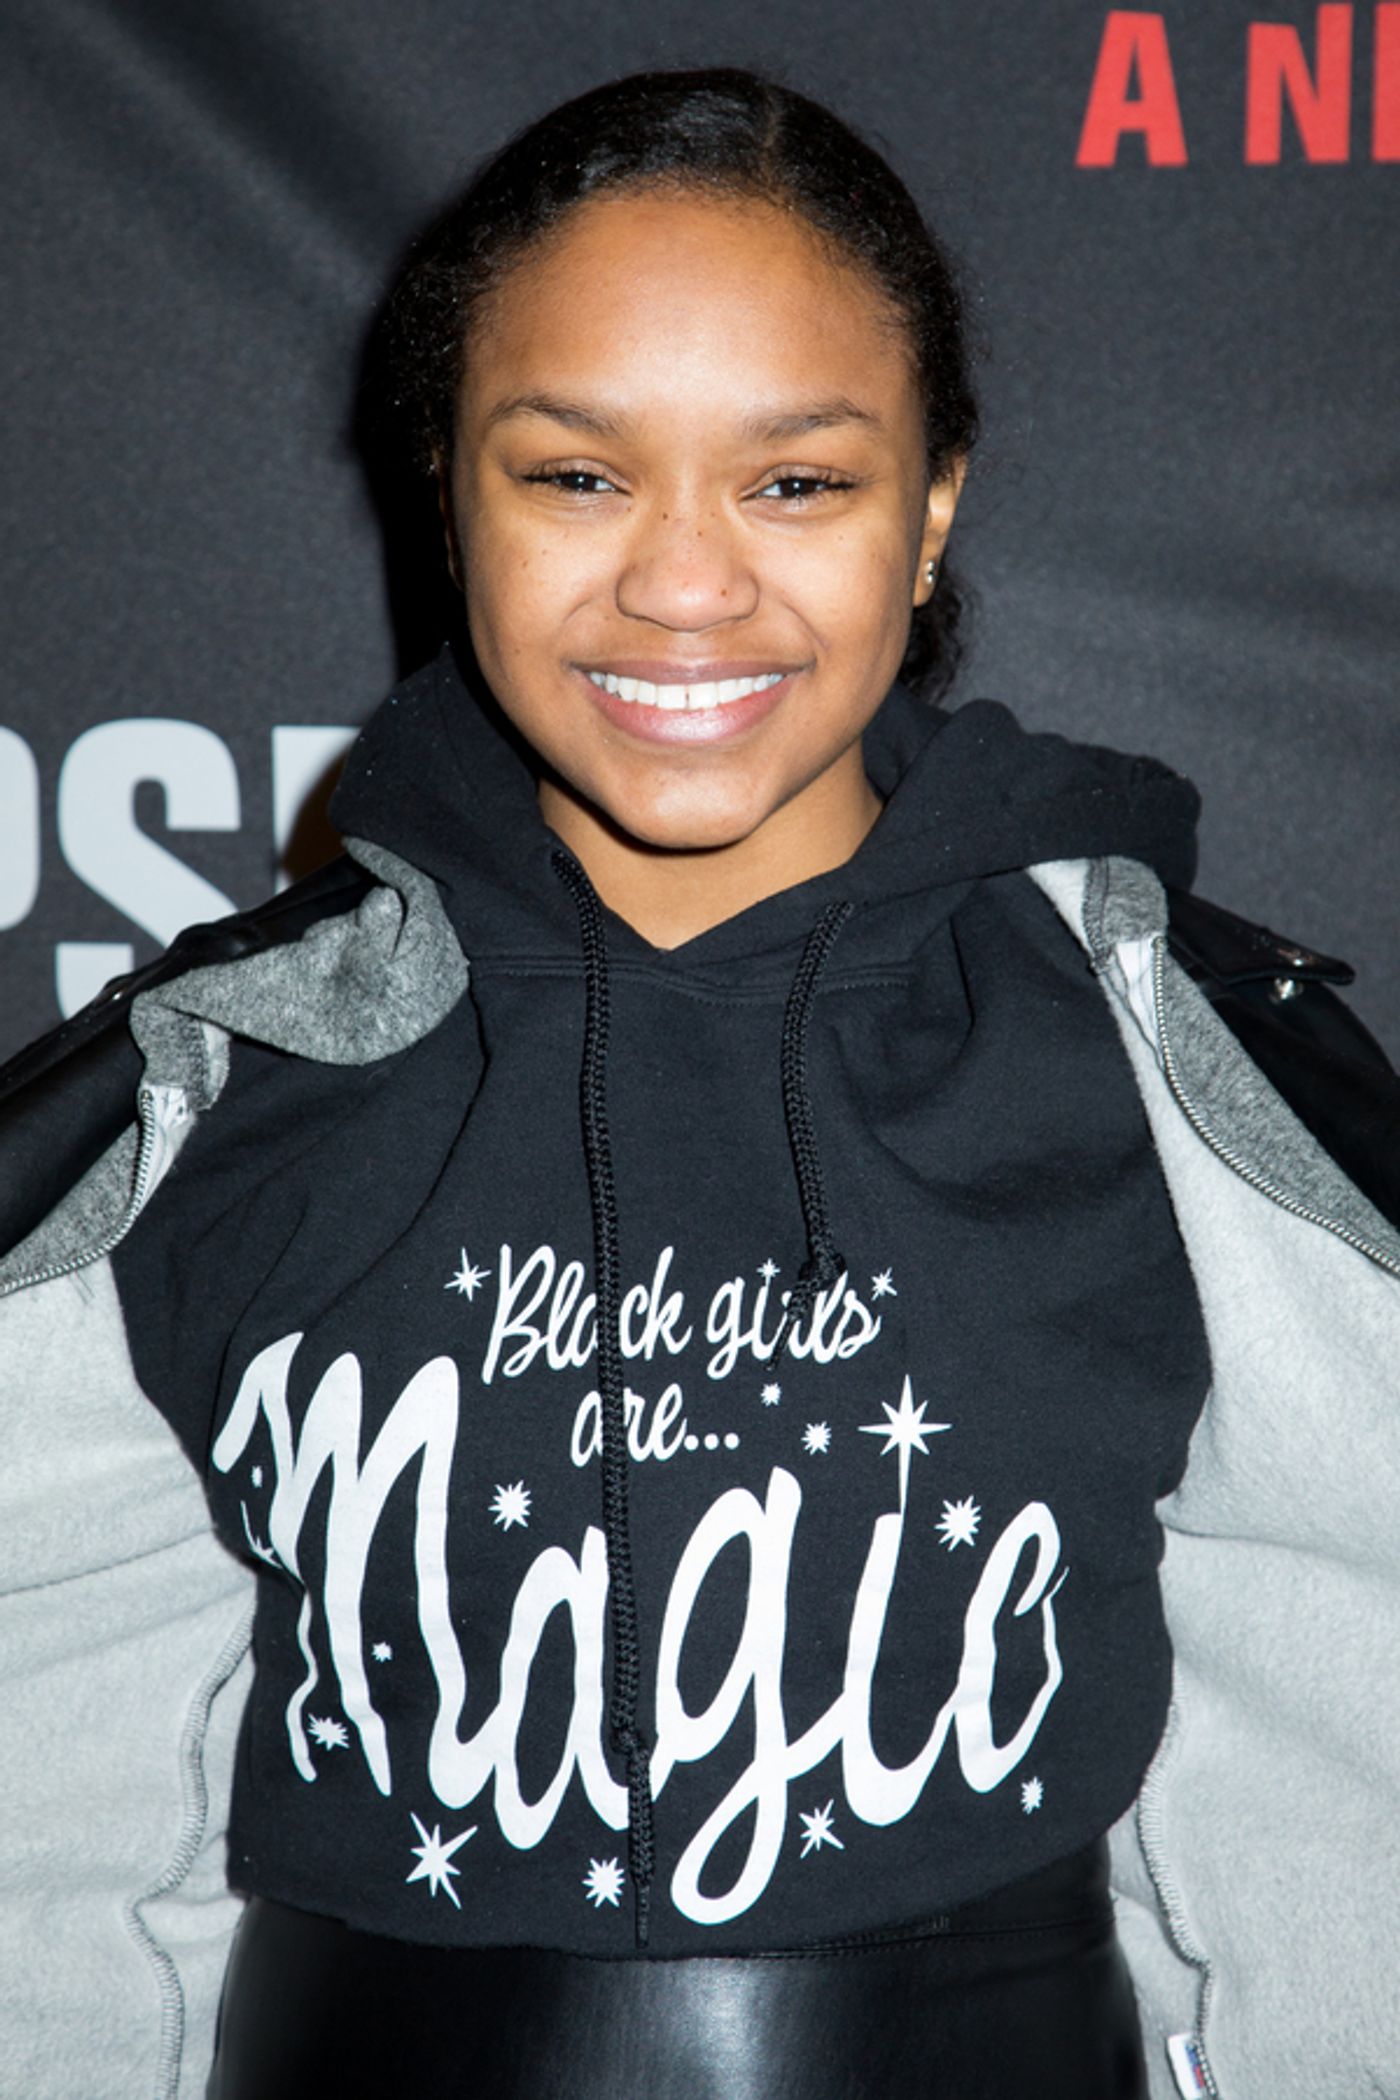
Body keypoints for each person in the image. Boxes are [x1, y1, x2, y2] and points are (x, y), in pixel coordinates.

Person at [1, 64, 1398, 2100]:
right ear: (449, 493)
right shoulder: (220, 1080)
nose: (681, 582)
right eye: (576, 475)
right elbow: (40, 1741)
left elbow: (1353, 1706)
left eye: (795, 482)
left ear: (931, 505)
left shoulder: (1167, 1061)